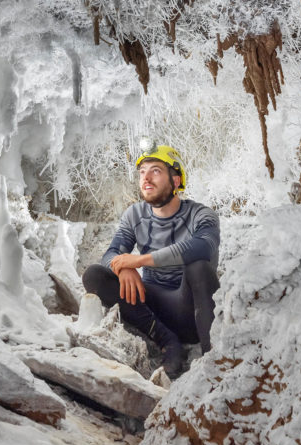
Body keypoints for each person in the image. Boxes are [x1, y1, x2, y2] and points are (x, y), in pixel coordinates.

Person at [82, 144, 220, 379]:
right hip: (150, 307)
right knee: (94, 275)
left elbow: (203, 246)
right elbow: (111, 254)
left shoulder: (201, 214)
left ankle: (214, 361)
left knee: (198, 266)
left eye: (155, 171)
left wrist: (140, 261)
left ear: (175, 181)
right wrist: (123, 267)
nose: (146, 178)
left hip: (189, 310)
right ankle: (167, 341)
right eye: (142, 172)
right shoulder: (135, 215)